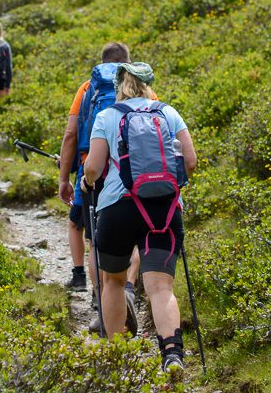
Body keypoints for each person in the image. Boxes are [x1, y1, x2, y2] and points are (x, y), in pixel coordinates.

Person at [82, 62, 197, 378]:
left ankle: (117, 357)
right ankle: (172, 355)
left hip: (118, 210)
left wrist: (87, 182)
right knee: (161, 287)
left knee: (114, 282)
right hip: (164, 209)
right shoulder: (168, 113)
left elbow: (93, 166)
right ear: (148, 85)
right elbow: (191, 160)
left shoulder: (107, 116)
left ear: (119, 87)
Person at [57, 42, 140, 334]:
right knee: (136, 237)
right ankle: (128, 289)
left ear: (101, 63)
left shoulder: (87, 88)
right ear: (128, 62)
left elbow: (70, 135)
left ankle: (101, 304)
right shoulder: (143, 88)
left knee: (97, 241)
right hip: (134, 173)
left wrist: (64, 178)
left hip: (93, 171)